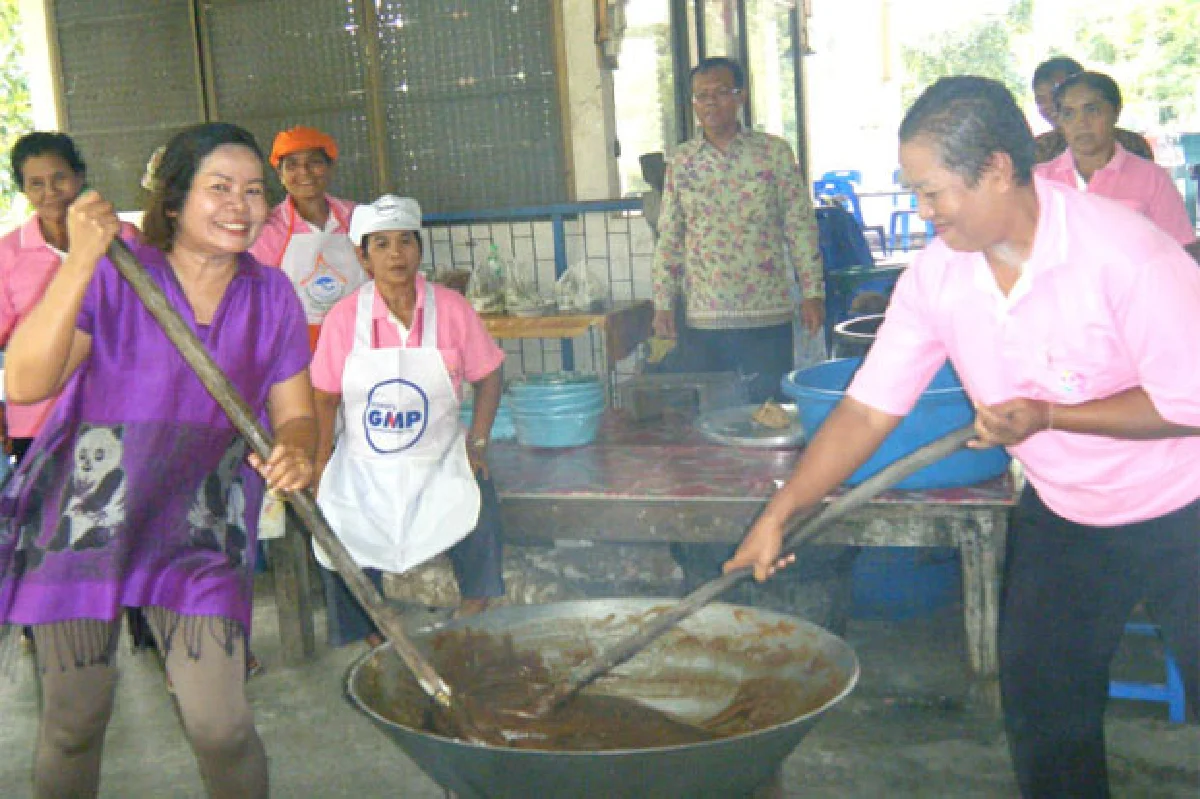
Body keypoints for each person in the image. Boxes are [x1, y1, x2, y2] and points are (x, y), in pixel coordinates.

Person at [726, 76, 1199, 798]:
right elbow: (866, 410)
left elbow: (1190, 400)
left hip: (1183, 507)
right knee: (1046, 719)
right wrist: (779, 512)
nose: (922, 211)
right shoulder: (936, 277)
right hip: (1067, 515)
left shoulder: (1127, 253)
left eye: (932, 191)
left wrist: (1048, 416)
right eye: (914, 191)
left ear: (1000, 170)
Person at [0, 122, 317, 798]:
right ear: (173, 202)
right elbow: (25, 382)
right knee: (74, 722)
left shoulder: (271, 296)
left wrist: (298, 448)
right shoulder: (120, 277)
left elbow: (296, 411)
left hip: (200, 520)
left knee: (222, 726)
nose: (241, 204)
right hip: (84, 516)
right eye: (220, 187)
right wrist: (83, 258)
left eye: (255, 190)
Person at [310, 195, 505, 647]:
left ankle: (475, 605)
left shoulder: (452, 309)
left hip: (437, 455)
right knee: (334, 521)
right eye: (381, 244)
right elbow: (323, 399)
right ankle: (369, 633)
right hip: (366, 460)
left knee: (479, 496)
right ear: (363, 256)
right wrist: (322, 462)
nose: (395, 255)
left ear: (419, 249)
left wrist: (476, 446)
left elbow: (490, 377)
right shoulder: (343, 320)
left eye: (405, 242)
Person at [652, 56, 826, 404]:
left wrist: (812, 292)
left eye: (720, 92)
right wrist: (663, 303)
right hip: (704, 317)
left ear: (741, 96)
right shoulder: (682, 161)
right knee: (711, 417)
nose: (710, 102)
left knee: (770, 411)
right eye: (701, 95)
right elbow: (670, 236)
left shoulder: (772, 152)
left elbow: (799, 225)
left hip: (767, 312)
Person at [0, 133, 139, 462]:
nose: (50, 193)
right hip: (37, 419)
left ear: (79, 177)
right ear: (24, 190)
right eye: (36, 184)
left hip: (116, 410)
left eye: (59, 178)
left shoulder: (125, 240)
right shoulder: (8, 254)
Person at [1035, 70, 1198, 255]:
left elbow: (1181, 251)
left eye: (1092, 110)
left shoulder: (1152, 179)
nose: (1081, 123)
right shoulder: (1038, 180)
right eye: (1069, 114)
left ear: (1116, 111)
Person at [249, 125, 367, 351]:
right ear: (280, 174)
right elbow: (257, 301)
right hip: (295, 346)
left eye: (314, 162)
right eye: (291, 165)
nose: (304, 172)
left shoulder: (356, 218)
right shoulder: (268, 230)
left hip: (358, 341)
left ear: (330, 168)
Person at [1030, 56, 1153, 164]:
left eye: (1057, 95)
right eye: (1041, 99)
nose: (1051, 105)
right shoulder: (1039, 150)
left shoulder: (1132, 145)